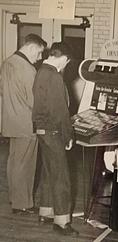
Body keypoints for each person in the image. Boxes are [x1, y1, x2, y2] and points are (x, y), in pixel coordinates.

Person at [32, 42, 78, 236]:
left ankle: (46, 211)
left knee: (48, 172)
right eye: (66, 62)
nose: (65, 66)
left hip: (42, 130)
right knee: (61, 177)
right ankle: (61, 222)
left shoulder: (40, 72)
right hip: (53, 132)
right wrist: (68, 135)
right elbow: (60, 111)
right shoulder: (54, 76)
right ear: (62, 58)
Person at [0, 34, 47, 214]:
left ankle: (15, 198)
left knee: (14, 162)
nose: (40, 57)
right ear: (32, 48)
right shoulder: (28, 69)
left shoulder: (7, 62)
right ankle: (22, 204)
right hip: (26, 123)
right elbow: (34, 101)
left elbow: (3, 91)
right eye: (40, 52)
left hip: (10, 121)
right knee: (25, 165)